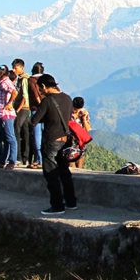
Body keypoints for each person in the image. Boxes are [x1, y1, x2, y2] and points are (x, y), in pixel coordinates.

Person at [31, 74, 77, 215]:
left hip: (52, 140)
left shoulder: (47, 101)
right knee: (64, 172)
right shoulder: (68, 98)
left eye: (39, 88)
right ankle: (71, 202)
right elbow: (67, 117)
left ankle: (57, 206)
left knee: (51, 174)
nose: (39, 91)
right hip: (65, 141)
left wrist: (39, 111)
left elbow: (34, 121)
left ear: (44, 86)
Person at [0, 65, 19, 169]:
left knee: (10, 138)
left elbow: (14, 92)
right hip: (2, 114)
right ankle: (2, 160)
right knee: (4, 138)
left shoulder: (4, 82)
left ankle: (12, 160)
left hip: (6, 114)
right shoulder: (3, 82)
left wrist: (9, 103)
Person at [12, 59, 33, 167]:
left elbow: (24, 96)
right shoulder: (23, 78)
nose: (14, 69)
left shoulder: (24, 79)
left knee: (16, 129)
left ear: (22, 67)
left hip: (23, 108)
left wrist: (17, 110)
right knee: (26, 132)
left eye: (16, 67)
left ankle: (18, 157)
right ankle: (26, 158)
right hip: (27, 109)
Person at [27, 62, 45, 169]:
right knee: (46, 135)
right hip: (48, 110)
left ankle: (39, 160)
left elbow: (35, 94)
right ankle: (45, 159)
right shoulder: (47, 79)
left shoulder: (31, 80)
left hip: (36, 109)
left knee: (37, 135)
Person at [69, 96, 91, 169]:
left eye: (78, 109)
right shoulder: (68, 112)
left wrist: (84, 119)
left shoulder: (84, 113)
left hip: (80, 140)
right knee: (71, 161)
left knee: (80, 161)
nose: (76, 111)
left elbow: (87, 129)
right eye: (75, 109)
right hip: (70, 139)